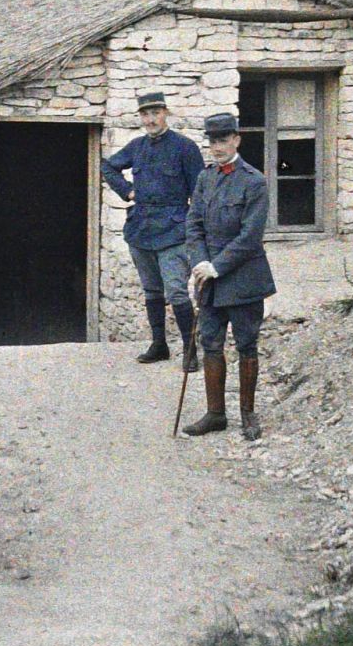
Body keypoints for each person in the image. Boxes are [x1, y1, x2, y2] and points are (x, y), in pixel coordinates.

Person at [182, 112, 276, 442]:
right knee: (210, 343)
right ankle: (215, 414)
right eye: (212, 141)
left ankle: (248, 414)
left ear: (236, 139)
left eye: (223, 140)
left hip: (244, 279)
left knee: (247, 345)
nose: (217, 147)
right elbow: (193, 225)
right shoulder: (205, 179)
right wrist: (200, 261)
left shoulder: (254, 181)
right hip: (209, 279)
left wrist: (217, 265)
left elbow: (251, 236)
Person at [100, 91, 205, 370]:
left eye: (155, 113)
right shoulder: (136, 147)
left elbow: (199, 194)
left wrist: (197, 231)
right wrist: (127, 191)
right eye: (145, 114)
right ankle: (159, 344)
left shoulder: (185, 147)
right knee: (151, 290)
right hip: (141, 229)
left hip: (173, 230)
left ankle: (190, 349)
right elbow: (107, 167)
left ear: (165, 113)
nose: (151, 119)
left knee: (177, 291)